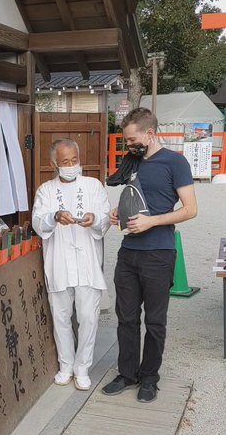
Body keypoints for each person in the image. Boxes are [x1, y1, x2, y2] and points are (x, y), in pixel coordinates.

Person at [102, 107, 197, 403]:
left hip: (159, 252)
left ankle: (149, 377)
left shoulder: (175, 162)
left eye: (131, 140)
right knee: (126, 318)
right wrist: (120, 212)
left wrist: (151, 221)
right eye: (125, 141)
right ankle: (127, 373)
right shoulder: (131, 162)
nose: (127, 146)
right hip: (128, 252)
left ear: (150, 133)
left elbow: (190, 210)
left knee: (155, 321)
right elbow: (136, 199)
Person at [32, 138, 110, 391]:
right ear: (54, 163)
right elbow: (38, 221)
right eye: (64, 162)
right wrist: (54, 217)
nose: (70, 165)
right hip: (59, 263)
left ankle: (83, 367)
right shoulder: (45, 190)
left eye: (74, 160)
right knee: (61, 317)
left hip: (87, 261)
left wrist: (94, 218)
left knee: (88, 317)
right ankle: (66, 366)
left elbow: (106, 217)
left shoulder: (93, 185)